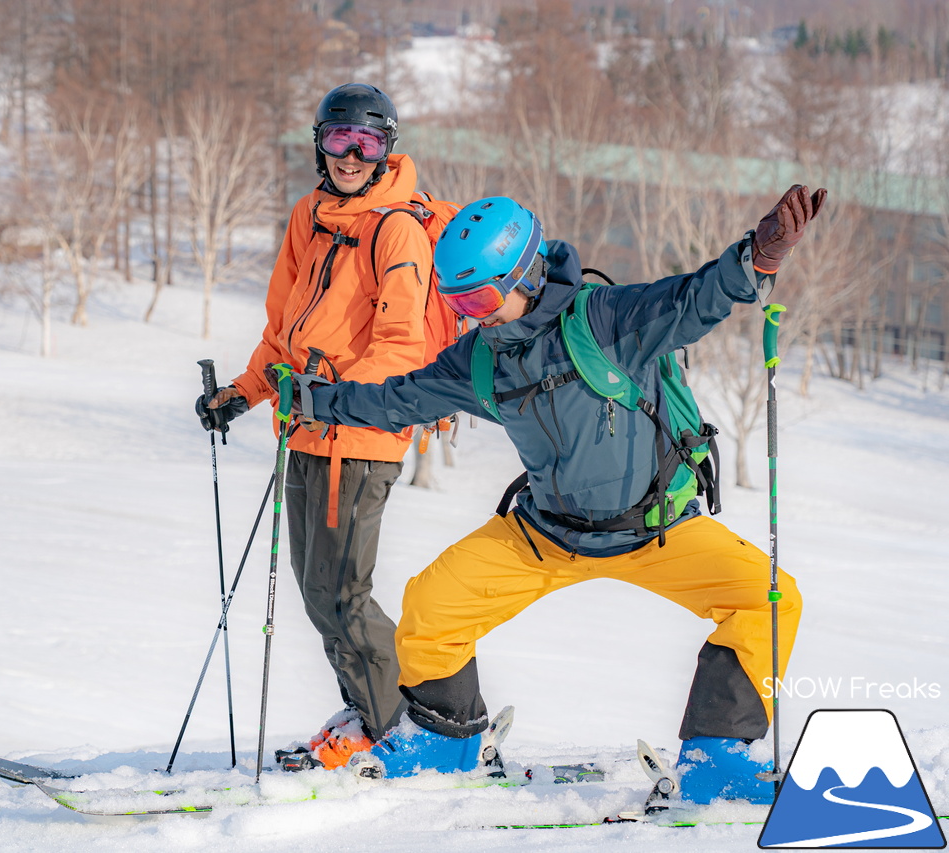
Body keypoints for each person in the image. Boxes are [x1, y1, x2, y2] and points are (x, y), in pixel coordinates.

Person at [289, 186, 826, 804]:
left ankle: (717, 755)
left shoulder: (605, 321)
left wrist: (755, 258)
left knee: (770, 601)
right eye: (457, 300)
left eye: (481, 297)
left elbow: (691, 300)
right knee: (433, 604)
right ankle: (448, 740)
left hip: (657, 528)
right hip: (548, 533)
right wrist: (318, 402)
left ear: (525, 273)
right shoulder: (482, 360)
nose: (473, 314)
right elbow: (398, 398)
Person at [195, 83, 435, 771]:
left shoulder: (398, 230)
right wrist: (243, 393)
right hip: (301, 429)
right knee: (317, 593)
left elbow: (400, 344)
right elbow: (284, 329)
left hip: (357, 438)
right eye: (339, 140)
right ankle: (372, 713)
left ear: (387, 151)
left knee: (341, 594)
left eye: (368, 143)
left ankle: (404, 732)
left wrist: (331, 392)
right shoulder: (309, 214)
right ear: (319, 144)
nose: (352, 156)